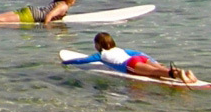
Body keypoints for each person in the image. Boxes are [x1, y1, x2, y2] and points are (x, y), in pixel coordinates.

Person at [62, 32, 196, 82]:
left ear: (98, 45)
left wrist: (67, 62)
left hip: (130, 64)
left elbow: (83, 60)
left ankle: (179, 75)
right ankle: (183, 73)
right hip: (139, 58)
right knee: (157, 69)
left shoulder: (101, 55)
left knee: (156, 73)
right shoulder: (120, 49)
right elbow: (140, 53)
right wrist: (154, 61)